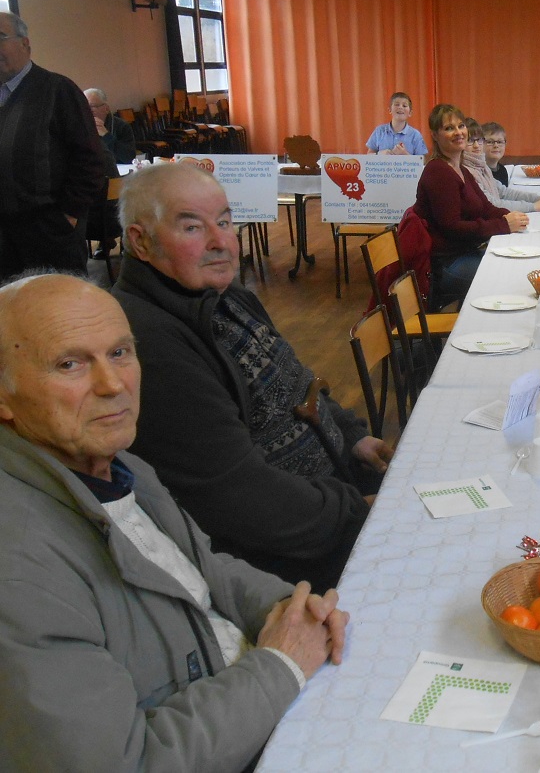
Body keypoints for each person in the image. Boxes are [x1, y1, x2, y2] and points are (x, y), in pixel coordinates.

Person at [0, 272, 350, 772]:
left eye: (120, 352)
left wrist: (289, 609)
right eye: (70, 363)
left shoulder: (116, 463)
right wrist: (280, 664)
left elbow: (205, 567)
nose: (112, 384)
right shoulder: (19, 572)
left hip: (249, 696)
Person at [112, 162, 393, 593]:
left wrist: (353, 436)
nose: (220, 241)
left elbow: (298, 381)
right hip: (290, 562)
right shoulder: (150, 344)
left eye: (225, 222)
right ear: (141, 241)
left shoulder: (225, 297)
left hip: (338, 496)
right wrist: (360, 511)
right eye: (192, 228)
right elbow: (243, 501)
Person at [0, 11, 105, 279]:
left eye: (0, 37)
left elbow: (90, 159)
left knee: (59, 315)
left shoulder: (57, 90)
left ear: (25, 43)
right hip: (4, 243)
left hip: (48, 235)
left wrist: (68, 216)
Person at [409, 103, 528, 307]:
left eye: (461, 126)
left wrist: (513, 217)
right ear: (435, 136)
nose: (458, 132)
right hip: (445, 264)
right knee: (509, 277)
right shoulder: (438, 172)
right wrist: (503, 225)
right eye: (449, 128)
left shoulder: (460, 168)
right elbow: (452, 227)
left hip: (464, 253)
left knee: (514, 265)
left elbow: (486, 207)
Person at [462, 117, 540, 213]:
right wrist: (534, 206)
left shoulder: (481, 167)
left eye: (479, 140)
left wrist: (538, 198)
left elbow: (504, 192)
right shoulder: (466, 171)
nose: (476, 145)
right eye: (470, 141)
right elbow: (492, 204)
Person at [365, 91, 428, 156]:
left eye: (404, 105)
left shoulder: (415, 135)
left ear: (410, 113)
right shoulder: (379, 131)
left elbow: (422, 161)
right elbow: (369, 156)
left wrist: (405, 154)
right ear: (390, 110)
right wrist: (379, 154)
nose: (400, 107)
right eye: (397, 104)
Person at [84, 87, 136, 164]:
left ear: (106, 109)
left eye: (93, 106)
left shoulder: (121, 126)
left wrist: (106, 135)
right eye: (84, 107)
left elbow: (128, 158)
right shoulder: (79, 126)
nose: (88, 110)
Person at [481, 121, 511, 187]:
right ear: (480, 144)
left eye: (500, 142)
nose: (496, 145)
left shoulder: (503, 171)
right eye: (490, 142)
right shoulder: (480, 173)